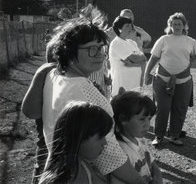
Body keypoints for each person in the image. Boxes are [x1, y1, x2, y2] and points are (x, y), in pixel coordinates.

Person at [41, 13, 146, 183]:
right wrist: (139, 181)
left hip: (60, 167)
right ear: (69, 51)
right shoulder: (84, 91)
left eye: (101, 47)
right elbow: (109, 156)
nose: (100, 55)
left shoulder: (54, 75)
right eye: (91, 48)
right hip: (84, 174)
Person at [144, 12, 196, 146]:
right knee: (162, 108)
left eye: (179, 24)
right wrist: (147, 73)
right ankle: (158, 136)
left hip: (184, 81)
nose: (177, 26)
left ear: (184, 26)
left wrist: (192, 62)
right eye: (174, 24)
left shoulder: (190, 41)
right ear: (170, 26)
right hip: (162, 80)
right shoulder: (163, 39)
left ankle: (174, 136)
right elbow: (153, 58)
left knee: (179, 109)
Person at [39, 101, 113, 184]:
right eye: (100, 137)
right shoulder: (60, 180)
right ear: (79, 136)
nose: (105, 143)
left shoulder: (83, 166)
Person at [111, 88, 163, 183]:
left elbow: (152, 164)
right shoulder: (120, 151)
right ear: (123, 119)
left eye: (149, 118)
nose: (148, 125)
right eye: (142, 119)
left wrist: (158, 178)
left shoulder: (141, 140)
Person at [109, 16, 147, 96]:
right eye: (127, 26)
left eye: (130, 26)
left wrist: (133, 64)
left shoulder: (132, 43)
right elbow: (135, 58)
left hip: (136, 89)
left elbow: (144, 60)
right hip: (121, 91)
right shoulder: (116, 43)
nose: (130, 28)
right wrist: (139, 60)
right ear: (119, 28)